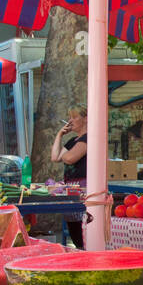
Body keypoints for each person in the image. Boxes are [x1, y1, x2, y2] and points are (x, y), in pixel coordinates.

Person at [50, 105, 88, 248]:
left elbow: (70, 158)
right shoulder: (73, 141)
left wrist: (65, 155)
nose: (70, 121)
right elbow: (55, 157)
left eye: (74, 117)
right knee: (73, 228)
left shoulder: (87, 139)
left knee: (80, 228)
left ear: (85, 119)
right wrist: (59, 135)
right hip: (71, 189)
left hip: (83, 188)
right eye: (69, 117)